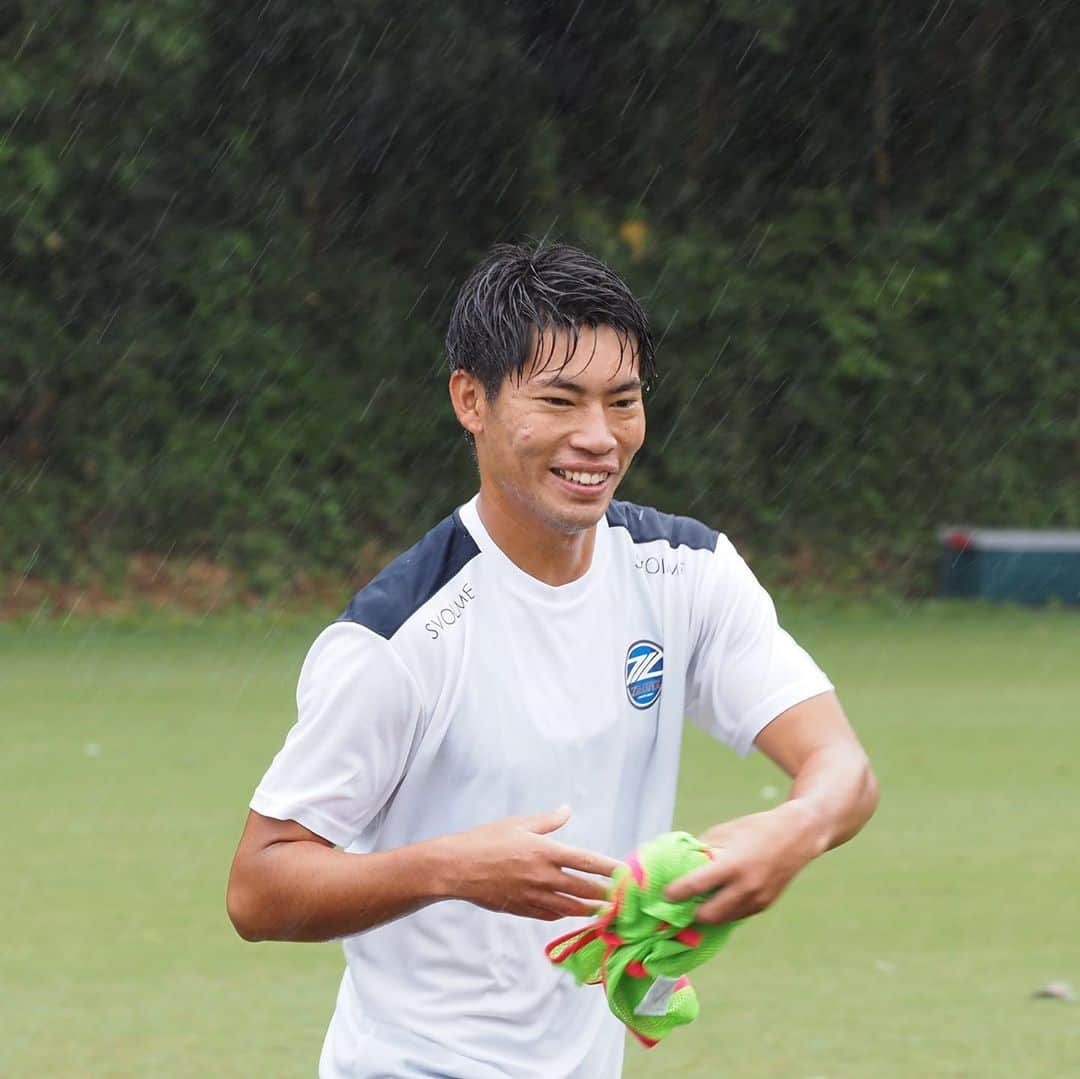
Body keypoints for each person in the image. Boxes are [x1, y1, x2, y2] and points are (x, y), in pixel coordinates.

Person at [226, 241, 879, 1078]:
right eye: (561, 400)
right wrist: (451, 868)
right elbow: (258, 885)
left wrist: (792, 829)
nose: (598, 438)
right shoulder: (400, 640)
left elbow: (842, 767)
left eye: (624, 400)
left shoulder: (688, 573)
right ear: (472, 399)